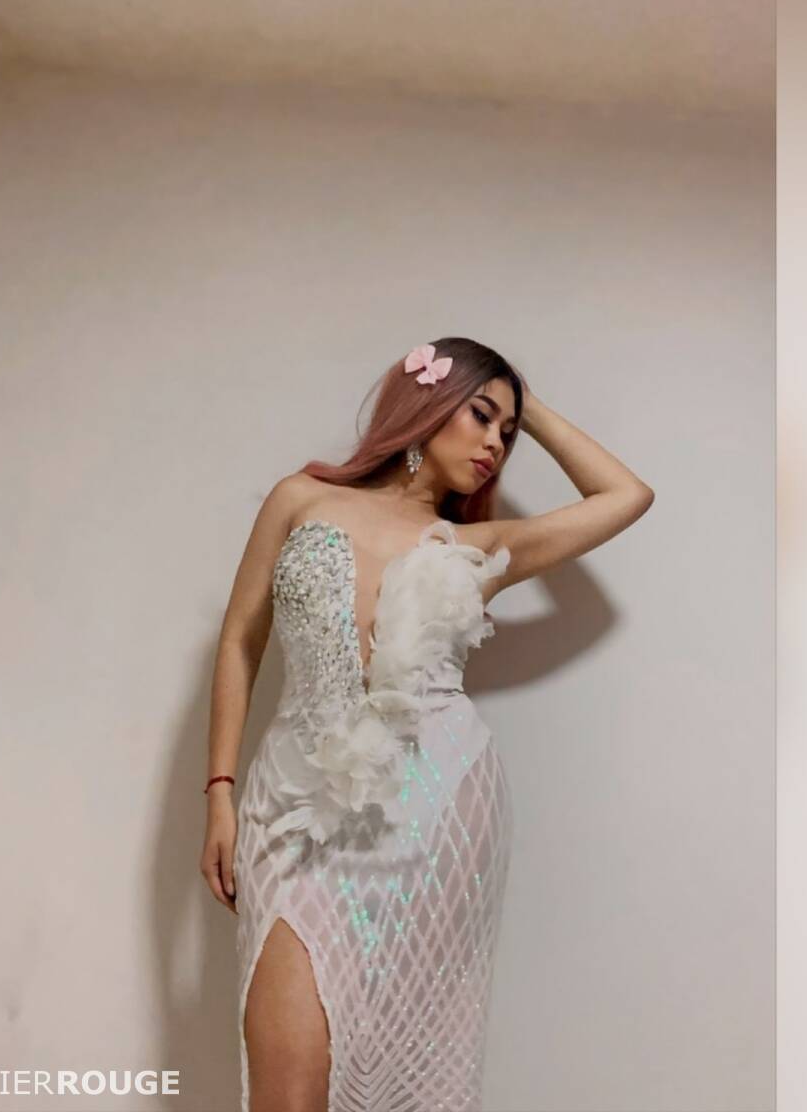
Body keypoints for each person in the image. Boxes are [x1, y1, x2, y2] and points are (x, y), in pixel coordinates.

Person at [200, 336, 654, 1112]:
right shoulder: (299, 499)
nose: (494, 443)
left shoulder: (483, 546)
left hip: (436, 813)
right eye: (480, 415)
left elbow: (626, 496)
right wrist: (218, 790)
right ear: (427, 402)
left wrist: (525, 402)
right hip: (292, 811)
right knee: (285, 1086)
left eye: (506, 433)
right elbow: (241, 640)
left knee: (409, 1072)